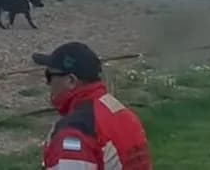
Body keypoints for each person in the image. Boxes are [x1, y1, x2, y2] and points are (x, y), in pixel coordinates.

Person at [33, 41, 151, 169]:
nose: (48, 84)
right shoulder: (120, 112)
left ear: (71, 80)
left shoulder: (74, 132)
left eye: (49, 76)